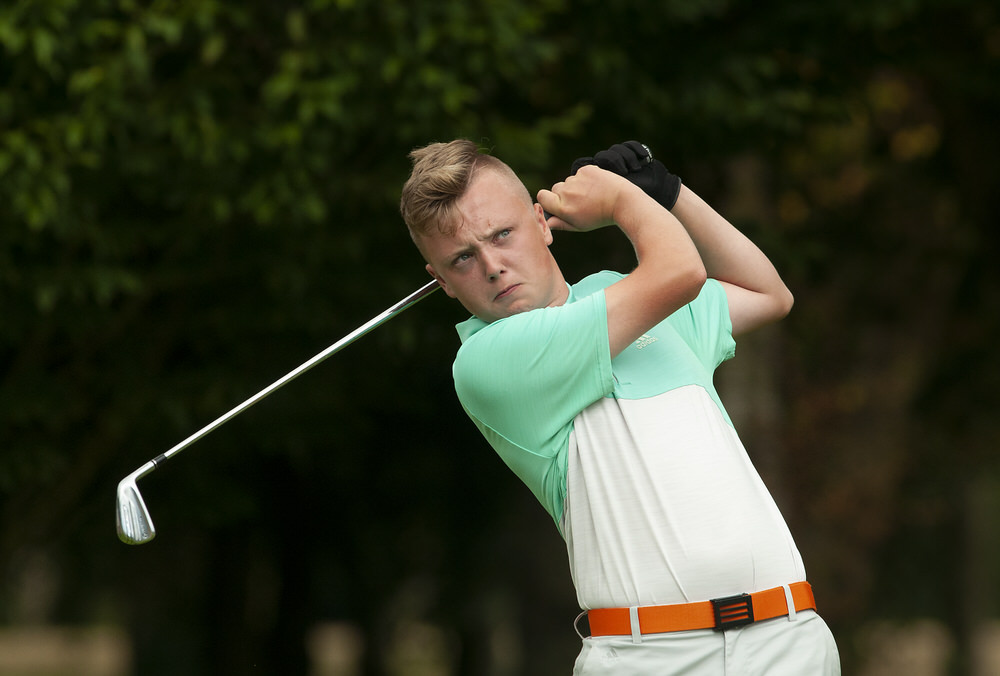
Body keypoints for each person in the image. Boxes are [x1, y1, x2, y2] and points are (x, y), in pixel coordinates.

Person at [399, 139, 841, 674]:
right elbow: (681, 272)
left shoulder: (627, 294)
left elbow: (769, 294)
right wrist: (619, 200)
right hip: (651, 655)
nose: (493, 266)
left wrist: (669, 193)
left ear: (542, 223)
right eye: (463, 259)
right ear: (439, 280)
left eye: (502, 235)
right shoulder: (488, 361)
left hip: (786, 638)